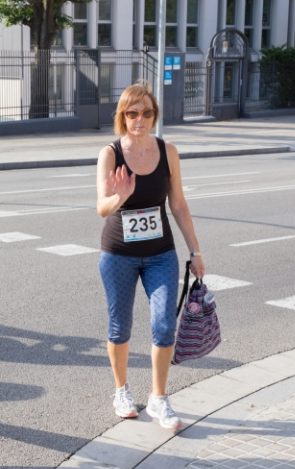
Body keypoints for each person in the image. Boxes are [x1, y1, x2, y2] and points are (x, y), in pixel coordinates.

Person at [95, 82, 205, 431]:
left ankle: (159, 397)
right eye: (132, 113)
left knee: (164, 324)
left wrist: (195, 250)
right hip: (118, 254)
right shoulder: (110, 153)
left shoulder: (167, 151)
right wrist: (120, 197)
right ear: (122, 116)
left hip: (160, 254)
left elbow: (179, 205)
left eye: (146, 113)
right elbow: (101, 207)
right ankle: (121, 391)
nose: (139, 119)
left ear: (154, 115)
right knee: (119, 325)